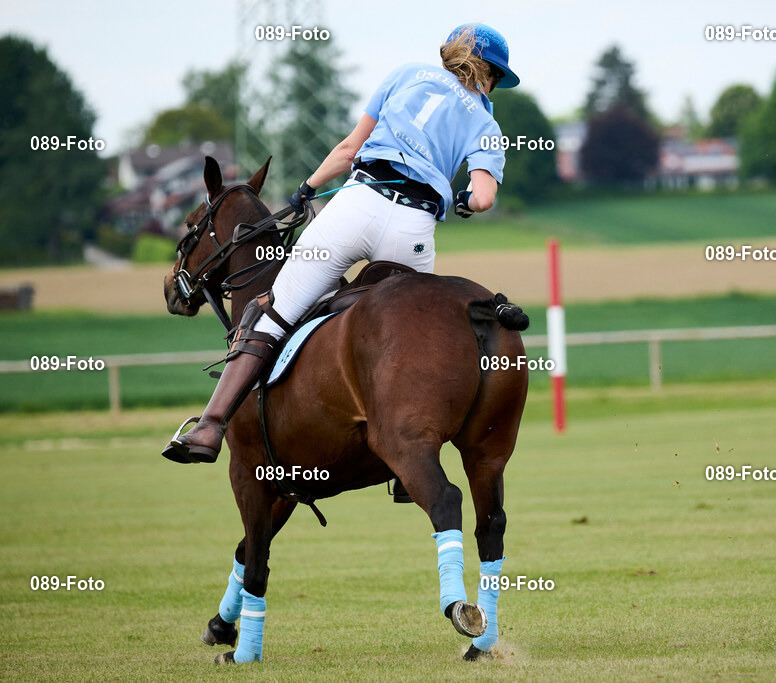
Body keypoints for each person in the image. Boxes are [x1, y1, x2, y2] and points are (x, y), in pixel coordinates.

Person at [162, 22, 520, 465]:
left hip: (355, 207)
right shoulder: (486, 122)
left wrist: (306, 190)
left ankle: (209, 427)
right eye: (497, 79)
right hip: (412, 230)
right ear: (489, 74)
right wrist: (463, 199)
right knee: (415, 343)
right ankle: (411, 466)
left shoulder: (406, 73)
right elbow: (483, 197)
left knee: (271, 314)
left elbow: (350, 149)